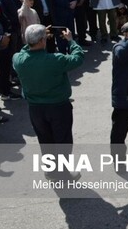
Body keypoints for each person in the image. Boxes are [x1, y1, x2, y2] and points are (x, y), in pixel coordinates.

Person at [12, 24, 84, 178]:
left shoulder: (18, 60)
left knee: (45, 141)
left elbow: (24, 50)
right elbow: (78, 58)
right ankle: (63, 173)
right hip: (58, 107)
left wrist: (35, 39)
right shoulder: (55, 59)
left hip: (35, 109)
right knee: (63, 141)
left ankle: (51, 170)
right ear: (42, 41)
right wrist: (71, 41)